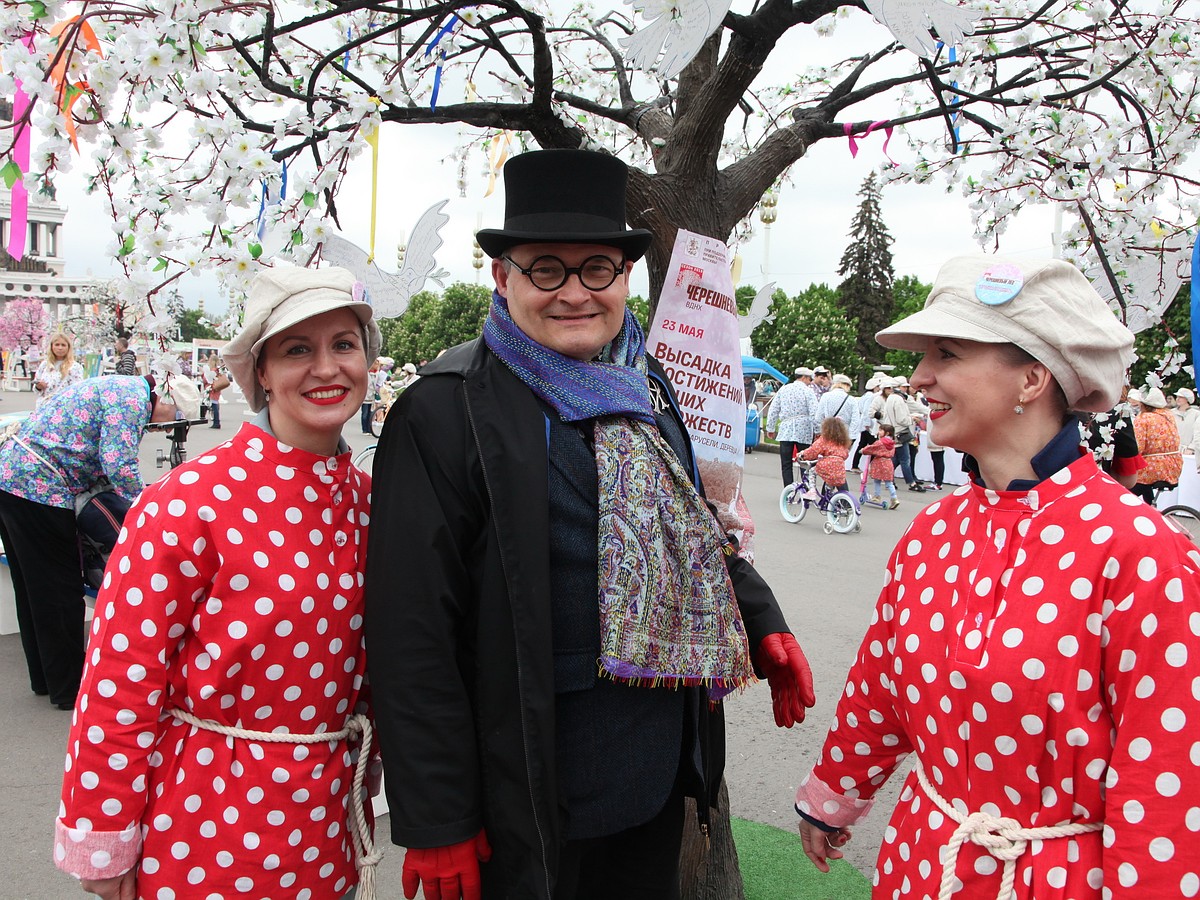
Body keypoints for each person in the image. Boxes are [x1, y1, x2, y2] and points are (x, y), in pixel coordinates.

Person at [364, 148, 815, 900]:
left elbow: (690, 529)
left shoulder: (645, 388)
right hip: (529, 789)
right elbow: (412, 632)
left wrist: (762, 618)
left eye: (596, 269)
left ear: (625, 278)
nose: (574, 292)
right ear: (502, 278)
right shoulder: (443, 409)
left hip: (650, 772)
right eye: (546, 269)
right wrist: (437, 813)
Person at [795, 254, 1200, 898]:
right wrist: (832, 796)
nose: (920, 376)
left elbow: (1166, 781)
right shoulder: (933, 530)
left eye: (948, 352)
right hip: (924, 862)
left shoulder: (1143, 552)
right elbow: (881, 683)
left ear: (1032, 378)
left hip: (1060, 881)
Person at [54, 266, 383, 900]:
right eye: (297, 349)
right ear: (260, 373)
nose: (326, 367)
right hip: (205, 827)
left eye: (343, 344)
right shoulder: (186, 503)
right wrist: (104, 837)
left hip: (328, 825)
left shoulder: (371, 503)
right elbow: (121, 681)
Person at [0, 374, 199, 711]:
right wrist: (152, 512)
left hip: (13, 477)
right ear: (165, 399)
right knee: (60, 591)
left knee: (33, 587)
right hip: (40, 487)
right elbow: (119, 465)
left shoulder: (120, 387)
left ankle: (46, 679)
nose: (168, 428)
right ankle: (68, 689)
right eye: (175, 418)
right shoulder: (133, 400)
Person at [765, 367, 818, 486]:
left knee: (786, 463)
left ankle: (788, 490)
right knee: (805, 461)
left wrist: (770, 428)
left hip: (786, 429)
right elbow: (814, 412)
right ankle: (807, 489)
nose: (810, 382)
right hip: (804, 430)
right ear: (804, 377)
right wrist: (817, 429)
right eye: (809, 379)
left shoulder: (784, 390)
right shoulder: (808, 391)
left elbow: (774, 409)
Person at [1131, 386, 1182, 503]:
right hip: (1173, 465)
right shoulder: (1169, 416)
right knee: (1145, 488)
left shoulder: (1143, 418)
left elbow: (1138, 447)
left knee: (1126, 494)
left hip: (1152, 467)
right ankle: (1151, 510)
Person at [878, 375, 924, 492]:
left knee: (896, 459)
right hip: (899, 432)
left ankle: (889, 479)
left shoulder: (892, 398)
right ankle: (911, 483)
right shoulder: (898, 399)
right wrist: (912, 419)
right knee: (905, 459)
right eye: (904, 386)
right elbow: (901, 419)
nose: (906, 389)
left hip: (893, 432)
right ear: (898, 387)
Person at [799, 415, 852, 499]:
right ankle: (830, 499)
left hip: (827, 464)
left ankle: (812, 491)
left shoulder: (824, 439)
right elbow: (846, 454)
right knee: (833, 480)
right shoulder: (842, 442)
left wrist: (803, 454)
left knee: (812, 471)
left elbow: (813, 451)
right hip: (839, 465)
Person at [32, 332, 85, 409]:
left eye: (63, 345)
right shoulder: (44, 365)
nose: (60, 348)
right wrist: (39, 387)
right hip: (43, 407)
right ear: (52, 347)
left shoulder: (75, 367)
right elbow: (35, 388)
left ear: (68, 347)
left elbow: (77, 389)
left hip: (63, 408)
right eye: (57, 345)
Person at [860, 422, 899, 508]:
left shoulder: (880, 442)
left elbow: (871, 448)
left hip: (879, 463)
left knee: (877, 480)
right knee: (889, 482)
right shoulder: (892, 443)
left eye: (881, 430)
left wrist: (863, 450)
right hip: (888, 462)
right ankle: (894, 498)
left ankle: (877, 496)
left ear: (887, 433)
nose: (879, 432)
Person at [814, 374, 860, 446]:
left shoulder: (825, 397)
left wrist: (820, 432)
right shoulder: (851, 400)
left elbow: (818, 417)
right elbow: (855, 420)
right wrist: (851, 437)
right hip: (845, 435)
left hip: (828, 434)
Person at [850, 375, 882, 471]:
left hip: (865, 425)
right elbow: (867, 411)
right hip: (868, 425)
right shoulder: (871, 397)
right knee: (874, 446)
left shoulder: (865, 396)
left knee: (862, 445)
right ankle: (871, 467)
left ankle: (855, 465)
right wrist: (867, 424)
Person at [199, 353, 227, 428]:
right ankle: (215, 421)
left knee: (213, 405)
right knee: (214, 404)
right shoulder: (218, 370)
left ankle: (216, 422)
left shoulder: (212, 370)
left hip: (211, 389)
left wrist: (203, 374)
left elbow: (206, 380)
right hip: (216, 388)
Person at [1173, 386, 1199, 451]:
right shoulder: (1171, 413)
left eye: (1181, 397)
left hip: (1189, 451)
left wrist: (1191, 448)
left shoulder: (1196, 414)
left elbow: (1198, 433)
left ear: (1187, 399)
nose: (1177, 399)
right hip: (1173, 450)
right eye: (1177, 397)